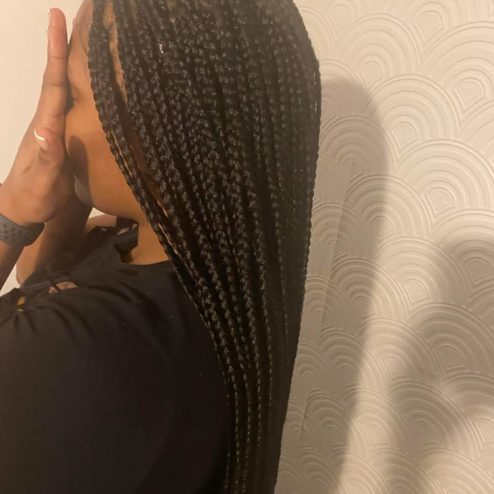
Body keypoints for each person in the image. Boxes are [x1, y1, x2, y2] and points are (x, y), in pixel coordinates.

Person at [0, 0, 321, 492]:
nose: (56, 117)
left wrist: (11, 209)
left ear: (156, 128)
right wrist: (48, 185)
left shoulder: (75, 348)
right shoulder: (204, 268)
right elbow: (37, 273)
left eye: (73, 97)